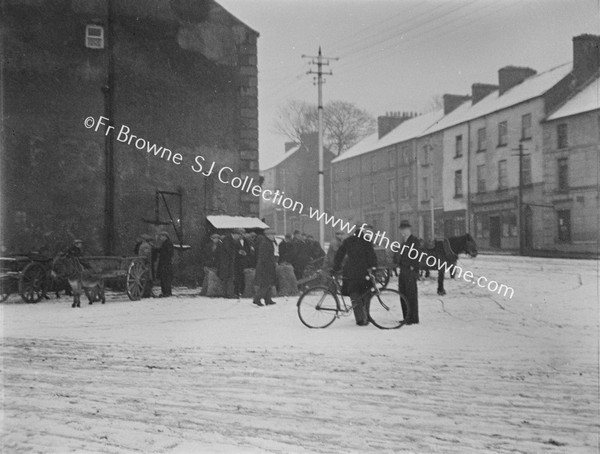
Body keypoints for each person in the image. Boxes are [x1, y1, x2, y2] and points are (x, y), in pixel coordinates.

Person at [333, 224, 378, 326]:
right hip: (363, 272)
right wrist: (374, 267)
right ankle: (366, 316)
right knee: (366, 293)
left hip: (350, 272)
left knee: (354, 293)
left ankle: (359, 319)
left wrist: (336, 267)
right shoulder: (366, 241)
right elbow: (371, 256)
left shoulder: (348, 241)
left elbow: (339, 255)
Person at [395, 220, 420, 325]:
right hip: (403, 271)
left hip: (410, 271)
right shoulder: (404, 241)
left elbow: (416, 256)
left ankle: (413, 318)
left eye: (404, 229)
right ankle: (406, 317)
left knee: (411, 296)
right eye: (401, 229)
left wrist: (412, 268)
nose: (402, 231)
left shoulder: (414, 241)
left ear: (409, 229)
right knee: (403, 294)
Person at [253, 228, 278, 307]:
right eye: (272, 235)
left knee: (269, 283)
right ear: (268, 235)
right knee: (265, 284)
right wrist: (270, 264)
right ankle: (257, 299)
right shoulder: (265, 243)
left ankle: (268, 299)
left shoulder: (268, 242)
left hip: (268, 266)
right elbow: (264, 257)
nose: (274, 236)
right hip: (265, 267)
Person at [217, 229, 243, 298]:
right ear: (235, 234)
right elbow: (229, 250)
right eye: (238, 235)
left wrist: (238, 251)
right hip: (226, 263)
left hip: (228, 262)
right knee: (229, 278)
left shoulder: (230, 239)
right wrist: (236, 252)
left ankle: (227, 293)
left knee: (228, 278)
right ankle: (229, 294)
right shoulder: (228, 239)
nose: (238, 237)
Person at [157, 231, 174, 297]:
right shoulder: (166, 243)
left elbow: (167, 253)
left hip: (165, 264)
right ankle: (165, 292)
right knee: (164, 278)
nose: (160, 237)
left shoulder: (168, 243)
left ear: (165, 236)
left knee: (165, 278)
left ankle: (166, 292)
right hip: (165, 263)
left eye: (161, 236)